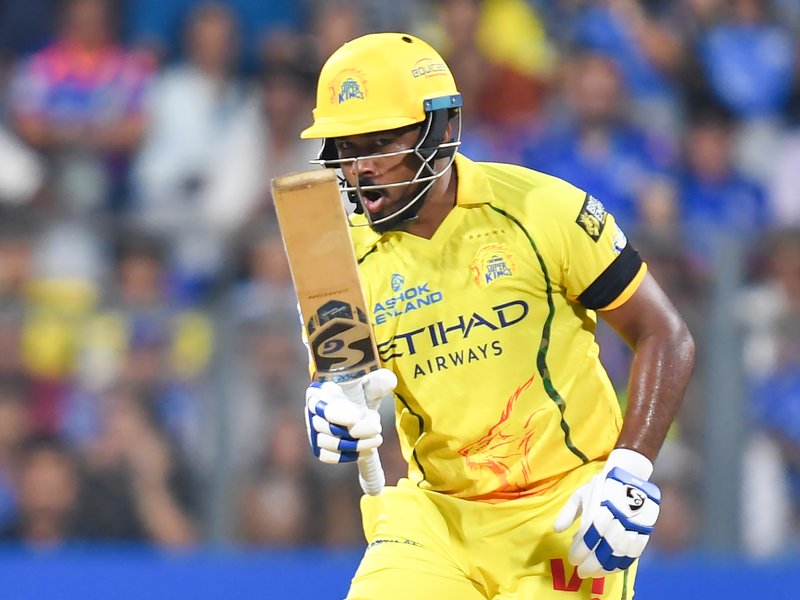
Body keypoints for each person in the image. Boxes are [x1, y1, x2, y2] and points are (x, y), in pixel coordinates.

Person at [297, 33, 695, 599]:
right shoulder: (333, 258)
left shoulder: (542, 210)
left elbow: (665, 333)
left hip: (566, 512)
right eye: (345, 147)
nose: (360, 169)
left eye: (380, 143)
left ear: (441, 132)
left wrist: (630, 470)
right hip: (436, 518)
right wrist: (330, 404)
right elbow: (342, 381)